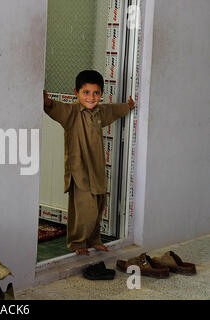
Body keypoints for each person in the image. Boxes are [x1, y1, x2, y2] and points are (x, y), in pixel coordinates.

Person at [43, 70, 135, 256]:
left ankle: (94, 239)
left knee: (98, 206)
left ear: (101, 94)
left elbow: (115, 110)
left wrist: (128, 106)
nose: (91, 98)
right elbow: (55, 108)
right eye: (86, 92)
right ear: (76, 92)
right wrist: (47, 102)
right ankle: (77, 243)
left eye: (96, 93)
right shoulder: (72, 113)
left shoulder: (101, 112)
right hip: (79, 172)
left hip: (97, 171)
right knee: (85, 210)